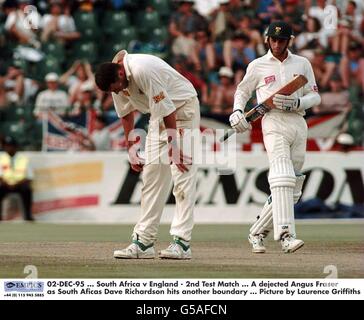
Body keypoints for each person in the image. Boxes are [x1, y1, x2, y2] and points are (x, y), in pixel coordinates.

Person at [95, 50, 200, 259]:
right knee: (152, 178)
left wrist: (174, 146)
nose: (116, 93)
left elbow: (168, 109)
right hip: (158, 116)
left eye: (115, 88)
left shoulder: (142, 69)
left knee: (182, 177)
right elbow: (125, 115)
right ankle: (144, 242)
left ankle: (182, 243)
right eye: (111, 92)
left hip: (183, 110)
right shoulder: (115, 83)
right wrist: (132, 149)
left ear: (121, 74)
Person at [229, 21, 321, 253]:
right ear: (267, 39)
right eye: (273, 39)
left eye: (282, 40)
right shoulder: (258, 65)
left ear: (289, 40)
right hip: (273, 121)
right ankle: (286, 235)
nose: (277, 44)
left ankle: (257, 232)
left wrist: (299, 102)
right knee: (281, 175)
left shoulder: (302, 63)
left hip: (299, 122)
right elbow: (242, 90)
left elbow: (315, 96)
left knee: (294, 187)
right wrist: (237, 111)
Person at [0, 136, 34, 221]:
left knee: (27, 190)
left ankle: (28, 216)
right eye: (6, 146)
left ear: (15, 147)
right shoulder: (1, 158)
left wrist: (16, 184)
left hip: (20, 185)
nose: (8, 148)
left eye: (10, 146)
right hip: (5, 185)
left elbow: (29, 177)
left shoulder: (24, 159)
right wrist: (6, 183)